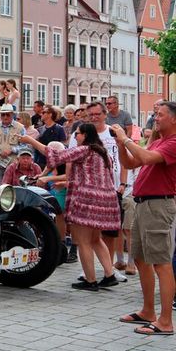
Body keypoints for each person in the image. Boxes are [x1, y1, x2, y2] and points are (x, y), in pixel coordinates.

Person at [23, 123, 120, 291]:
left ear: (86, 135)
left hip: (86, 199)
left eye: (78, 134)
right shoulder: (103, 152)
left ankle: (90, 280)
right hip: (104, 200)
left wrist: (31, 140)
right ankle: (109, 275)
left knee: (83, 242)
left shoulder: (85, 150)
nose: (75, 137)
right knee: (96, 239)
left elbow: (57, 154)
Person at [112, 102, 176, 335]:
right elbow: (130, 163)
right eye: (155, 114)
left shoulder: (173, 143)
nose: (155, 118)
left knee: (161, 262)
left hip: (158, 205)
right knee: (139, 258)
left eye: (160, 115)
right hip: (143, 203)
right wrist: (121, 144)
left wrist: (126, 139)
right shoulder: (158, 140)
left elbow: (146, 158)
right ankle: (148, 311)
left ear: (174, 119)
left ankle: (166, 321)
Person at [71, 101, 127, 283]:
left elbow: (124, 156)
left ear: (105, 114)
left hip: (112, 188)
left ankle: (104, 272)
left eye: (97, 114)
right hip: (95, 191)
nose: (94, 117)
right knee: (94, 237)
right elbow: (70, 159)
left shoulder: (112, 132)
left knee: (108, 235)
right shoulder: (78, 135)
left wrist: (123, 184)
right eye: (91, 114)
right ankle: (101, 272)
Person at [0, 105, 26, 187]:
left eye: (8, 114)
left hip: (13, 166)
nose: (5, 117)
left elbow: (25, 147)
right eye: (3, 114)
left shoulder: (20, 128)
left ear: (12, 115)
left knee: (13, 189)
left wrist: (12, 149)